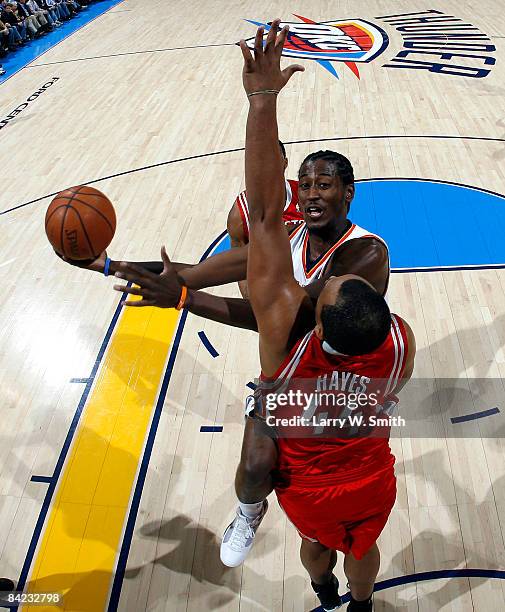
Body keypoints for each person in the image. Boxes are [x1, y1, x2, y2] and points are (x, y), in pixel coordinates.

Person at [216, 21, 415, 612]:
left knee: (339, 533)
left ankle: (350, 600)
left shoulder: (363, 255)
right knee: (286, 500)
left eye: (321, 183)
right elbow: (259, 257)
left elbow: (276, 305)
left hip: (332, 408)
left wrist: (262, 103)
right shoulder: (398, 341)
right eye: (303, 183)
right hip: (342, 423)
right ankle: (334, 595)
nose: (309, 192)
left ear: (348, 193)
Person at [227, 139, 302, 297]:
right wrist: (250, 302)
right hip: (272, 296)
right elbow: (240, 265)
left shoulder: (304, 194)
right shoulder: (239, 214)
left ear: (285, 163)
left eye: (273, 159)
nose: (267, 165)